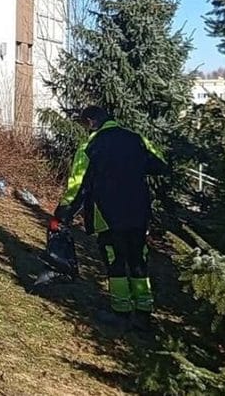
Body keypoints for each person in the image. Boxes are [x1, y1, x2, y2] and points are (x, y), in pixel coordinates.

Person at [50, 106, 169, 330]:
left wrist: (62, 214)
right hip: (138, 211)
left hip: (107, 213)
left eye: (86, 124)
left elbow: (77, 185)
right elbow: (161, 165)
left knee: (116, 261)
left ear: (92, 122)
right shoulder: (137, 139)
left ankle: (121, 313)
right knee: (138, 259)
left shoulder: (90, 146)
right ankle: (144, 314)